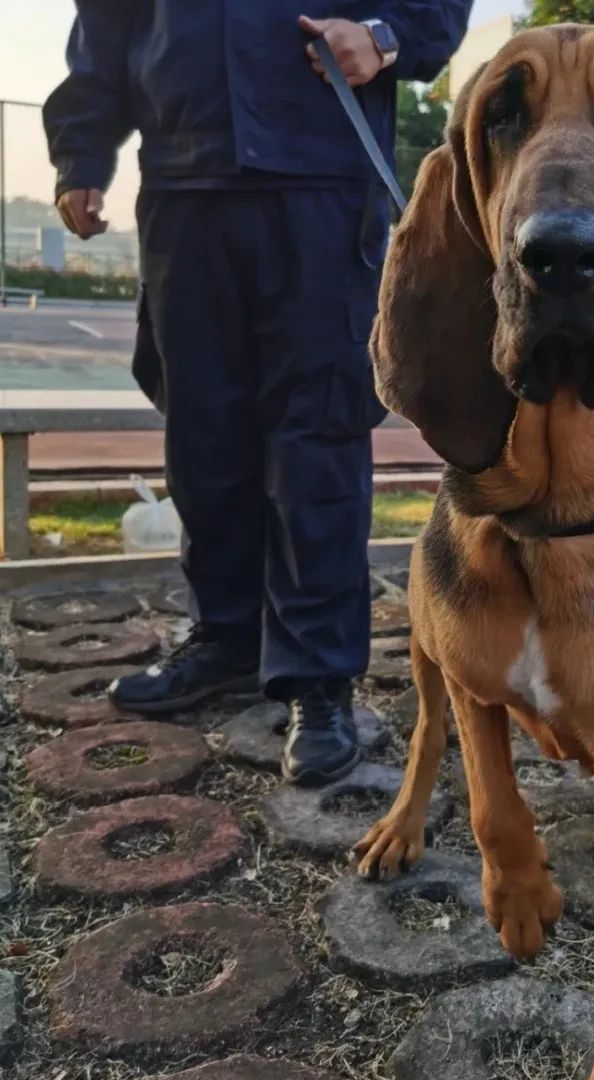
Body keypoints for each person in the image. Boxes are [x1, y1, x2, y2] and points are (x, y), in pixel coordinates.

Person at [44, 2, 472, 785]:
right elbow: (105, 28)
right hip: (183, 183)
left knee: (317, 435)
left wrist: (384, 37)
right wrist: (79, 154)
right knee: (202, 433)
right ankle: (227, 639)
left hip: (320, 182)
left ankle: (318, 676)